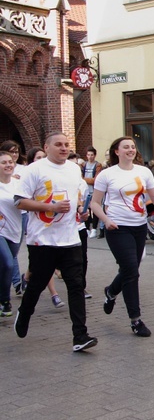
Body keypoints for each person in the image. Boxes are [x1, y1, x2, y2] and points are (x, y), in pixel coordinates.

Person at [13, 133, 98, 352]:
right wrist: (51, 208)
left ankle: (80, 335)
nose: (63, 148)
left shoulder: (72, 169)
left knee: (76, 285)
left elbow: (78, 196)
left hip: (70, 238)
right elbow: (20, 202)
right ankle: (24, 313)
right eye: (58, 144)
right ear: (46, 147)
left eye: (66, 145)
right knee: (38, 283)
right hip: (42, 239)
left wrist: (82, 211)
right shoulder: (35, 170)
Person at [90, 136, 154, 337]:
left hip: (139, 226)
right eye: (126, 147)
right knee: (131, 271)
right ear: (117, 151)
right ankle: (136, 320)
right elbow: (94, 203)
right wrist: (105, 220)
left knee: (130, 270)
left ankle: (111, 291)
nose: (131, 150)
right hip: (117, 227)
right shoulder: (106, 175)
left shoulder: (144, 171)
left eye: (133, 147)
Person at [0, 151, 22, 318]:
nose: (8, 165)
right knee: (7, 263)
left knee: (5, 266)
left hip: (16, 230)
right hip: (1, 230)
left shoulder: (18, 184)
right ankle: (5, 300)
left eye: (10, 162)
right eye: (3, 162)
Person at [82, 146, 102, 239]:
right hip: (85, 190)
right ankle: (87, 228)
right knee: (85, 209)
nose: (90, 157)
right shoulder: (83, 165)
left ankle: (94, 228)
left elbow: (95, 180)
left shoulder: (98, 165)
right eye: (88, 155)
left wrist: (84, 179)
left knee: (95, 209)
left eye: (92, 155)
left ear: (95, 155)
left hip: (94, 190)